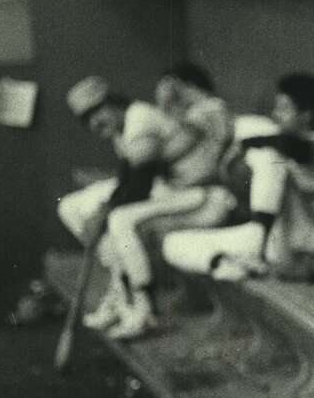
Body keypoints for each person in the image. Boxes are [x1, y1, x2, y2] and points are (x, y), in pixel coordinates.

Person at [57, 69, 235, 339]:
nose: (94, 124)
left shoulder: (139, 118)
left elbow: (139, 184)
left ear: (113, 102)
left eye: (97, 113)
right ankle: (123, 298)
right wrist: (105, 211)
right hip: (179, 194)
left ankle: (145, 310)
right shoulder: (123, 128)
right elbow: (128, 178)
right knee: (108, 220)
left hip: (205, 195)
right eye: (87, 119)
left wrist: (105, 214)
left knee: (120, 220)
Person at [161, 72, 314, 283]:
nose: (276, 114)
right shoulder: (286, 142)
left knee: (269, 154)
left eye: (284, 109)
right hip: (276, 241)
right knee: (172, 243)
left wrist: (245, 145)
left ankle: (255, 245)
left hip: (310, 244)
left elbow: (289, 146)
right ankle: (226, 266)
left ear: (306, 116)